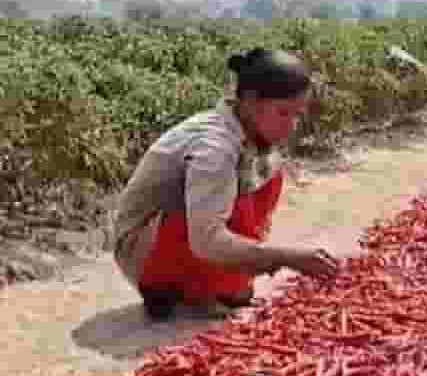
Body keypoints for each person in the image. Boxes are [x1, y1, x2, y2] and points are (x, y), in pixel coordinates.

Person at [111, 47, 340, 321]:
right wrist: (289, 257)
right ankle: (170, 286)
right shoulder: (214, 147)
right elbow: (206, 240)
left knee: (270, 172)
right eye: (283, 113)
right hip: (144, 250)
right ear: (251, 101)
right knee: (232, 270)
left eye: (297, 115)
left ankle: (201, 286)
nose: (291, 126)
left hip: (183, 237)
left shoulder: (245, 134)